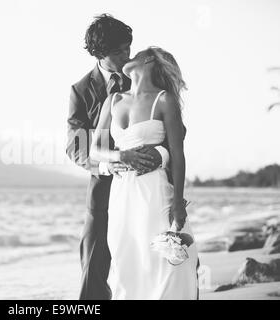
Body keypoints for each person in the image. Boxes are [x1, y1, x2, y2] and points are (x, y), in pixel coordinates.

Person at [65, 14, 170, 300]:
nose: (127, 55)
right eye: (119, 51)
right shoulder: (81, 91)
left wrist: (159, 156)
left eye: (128, 47)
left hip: (150, 188)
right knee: (94, 267)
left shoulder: (144, 77)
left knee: (169, 256)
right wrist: (114, 160)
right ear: (100, 53)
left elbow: (175, 132)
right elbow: (76, 148)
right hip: (103, 191)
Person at [89, 46, 199, 299]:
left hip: (154, 191)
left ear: (148, 59)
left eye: (135, 54)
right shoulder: (113, 100)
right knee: (126, 258)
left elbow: (178, 154)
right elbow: (96, 149)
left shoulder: (164, 100)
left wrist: (178, 203)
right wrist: (120, 155)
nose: (128, 56)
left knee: (164, 258)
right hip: (121, 193)